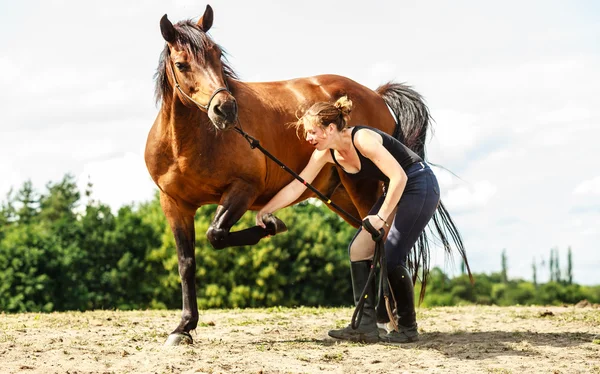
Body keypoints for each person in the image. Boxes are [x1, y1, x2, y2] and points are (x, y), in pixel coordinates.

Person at [256, 96, 440, 343]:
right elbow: (297, 186)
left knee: (392, 253)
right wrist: (265, 211)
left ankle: (407, 328)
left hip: (419, 184)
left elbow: (399, 177)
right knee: (358, 249)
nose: (308, 138)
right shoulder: (326, 153)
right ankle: (365, 325)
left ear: (330, 128)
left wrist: (381, 217)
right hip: (398, 190)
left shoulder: (362, 139)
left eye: (312, 132)